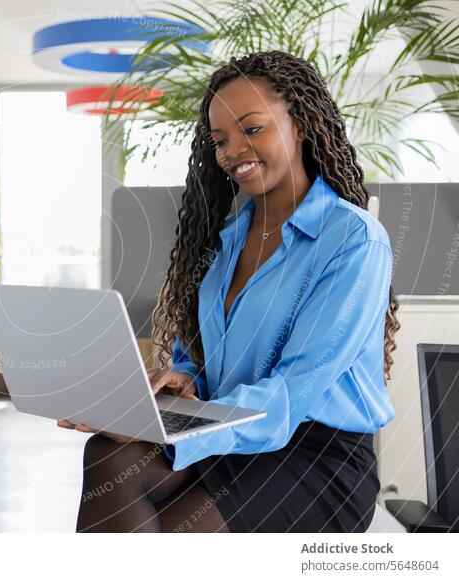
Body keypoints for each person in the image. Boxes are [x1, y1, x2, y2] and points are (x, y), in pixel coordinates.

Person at [58, 50, 401, 533]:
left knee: (177, 529)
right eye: (220, 139)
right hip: (230, 428)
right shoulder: (227, 239)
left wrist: (179, 432)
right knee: (109, 455)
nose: (233, 151)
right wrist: (184, 377)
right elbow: (198, 348)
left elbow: (294, 390)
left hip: (314, 456)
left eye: (253, 128)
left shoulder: (353, 240)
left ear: (300, 123)